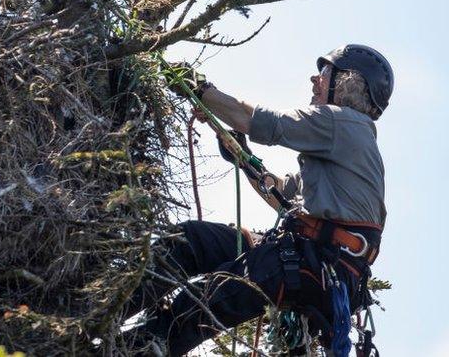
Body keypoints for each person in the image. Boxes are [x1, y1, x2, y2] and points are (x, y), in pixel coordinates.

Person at [124, 44, 393, 356]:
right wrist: (244, 159)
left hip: (312, 262)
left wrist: (201, 89)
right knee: (192, 241)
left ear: (348, 82)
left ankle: (129, 342)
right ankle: (111, 305)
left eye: (324, 73)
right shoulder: (345, 144)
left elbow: (260, 120)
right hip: (309, 257)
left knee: (201, 302)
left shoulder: (342, 122)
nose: (314, 79)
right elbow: (282, 195)